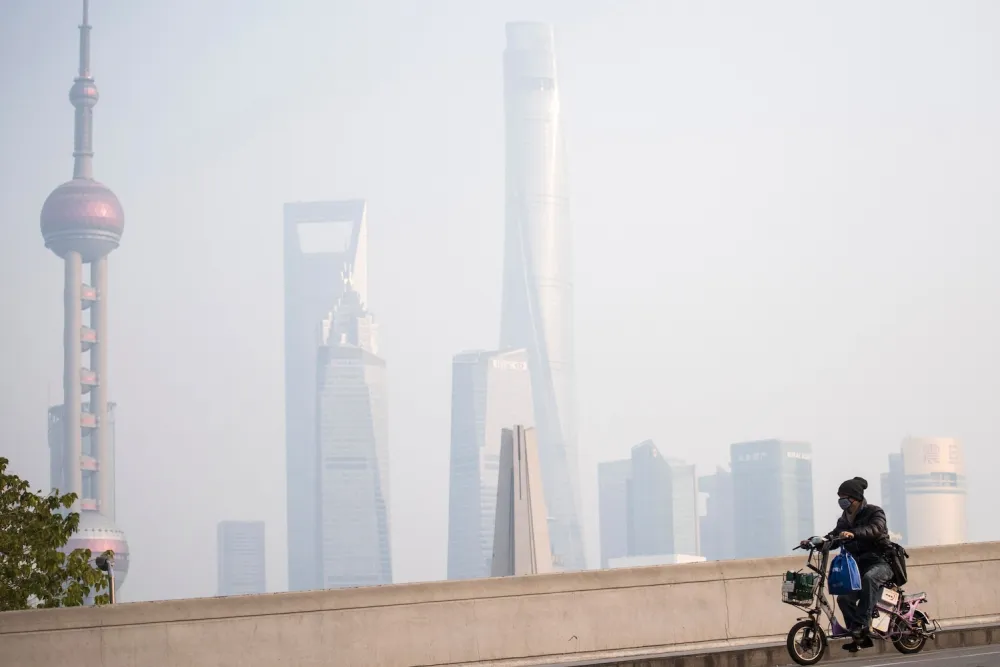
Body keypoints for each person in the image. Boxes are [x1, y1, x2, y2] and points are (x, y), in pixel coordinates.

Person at [825, 477, 893, 652]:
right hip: (857, 567)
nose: (842, 501)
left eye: (845, 498)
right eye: (840, 497)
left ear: (856, 498)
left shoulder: (874, 512)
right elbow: (835, 536)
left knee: (869, 579)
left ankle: (862, 625)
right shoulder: (844, 519)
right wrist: (816, 541)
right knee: (843, 598)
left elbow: (875, 529)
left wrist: (853, 534)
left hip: (881, 562)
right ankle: (857, 636)